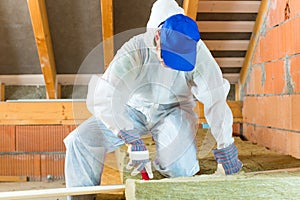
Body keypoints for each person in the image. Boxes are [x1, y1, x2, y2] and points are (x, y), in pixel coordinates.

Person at [64, 0, 242, 199]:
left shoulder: (199, 51)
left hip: (175, 110)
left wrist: (225, 145)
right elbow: (107, 96)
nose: (171, 67)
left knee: (181, 167)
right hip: (133, 110)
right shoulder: (134, 50)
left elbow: (215, 98)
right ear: (157, 37)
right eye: (169, 58)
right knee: (79, 141)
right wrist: (126, 133)